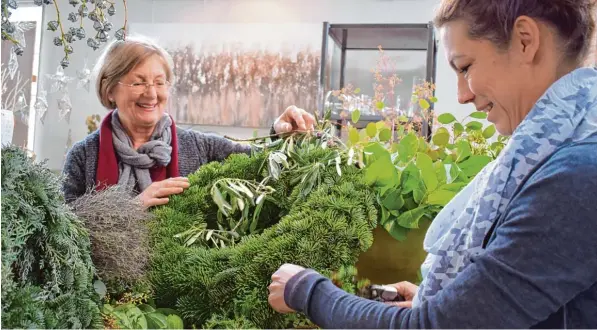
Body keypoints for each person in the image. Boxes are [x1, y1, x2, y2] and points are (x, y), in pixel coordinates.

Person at [268, 0, 597, 328]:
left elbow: (436, 327)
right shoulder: (558, 153)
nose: (462, 95)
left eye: (465, 67)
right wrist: (441, 298)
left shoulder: (576, 175)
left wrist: (306, 290)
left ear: (525, 40)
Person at [62, 35, 314, 208]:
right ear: (109, 90)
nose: (151, 94)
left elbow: (261, 164)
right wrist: (133, 207)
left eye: (160, 82)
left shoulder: (201, 147)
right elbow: (63, 234)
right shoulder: (83, 156)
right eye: (138, 82)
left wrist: (283, 133)